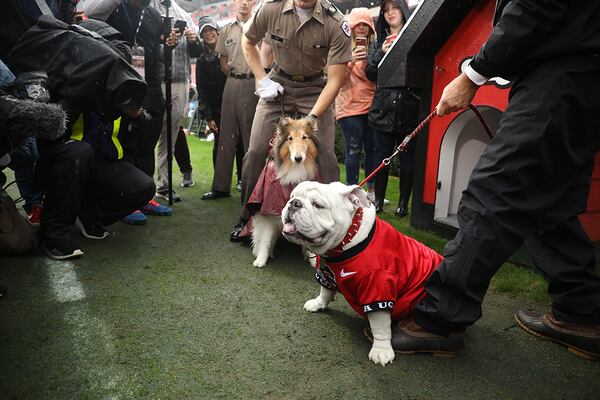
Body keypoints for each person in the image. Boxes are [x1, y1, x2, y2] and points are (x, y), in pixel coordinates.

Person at [390, 0, 600, 360]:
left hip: (560, 74)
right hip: (581, 77)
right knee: (551, 202)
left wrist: (473, 74)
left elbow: (537, 6)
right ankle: (582, 313)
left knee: (494, 191)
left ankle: (440, 318)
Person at [230, 0, 352, 241]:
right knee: (254, 151)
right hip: (278, 83)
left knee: (326, 154)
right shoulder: (270, 8)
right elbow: (248, 41)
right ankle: (247, 217)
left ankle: (339, 221)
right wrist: (262, 79)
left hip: (316, 88)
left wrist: (312, 118)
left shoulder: (336, 22)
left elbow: (335, 80)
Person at [103, 0, 176, 219]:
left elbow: (157, 46)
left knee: (148, 139)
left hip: (151, 83)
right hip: (124, 81)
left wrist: (168, 43)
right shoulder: (114, 8)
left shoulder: (153, 13)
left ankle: (144, 197)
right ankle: (126, 199)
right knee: (126, 141)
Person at [201, 0, 258, 201]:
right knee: (225, 137)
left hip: (253, 83)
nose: (244, 3)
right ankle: (220, 187)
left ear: (253, 2)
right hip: (231, 83)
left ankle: (252, 188)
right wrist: (235, 76)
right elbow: (223, 61)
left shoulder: (260, 25)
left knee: (250, 138)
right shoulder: (225, 30)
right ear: (235, 2)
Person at [366, 0, 418, 217]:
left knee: (408, 160)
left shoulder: (416, 37)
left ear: (403, 10)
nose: (390, 13)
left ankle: (403, 203)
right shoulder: (378, 43)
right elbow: (370, 73)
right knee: (381, 158)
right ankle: (378, 201)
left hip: (409, 109)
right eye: (386, 10)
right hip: (383, 110)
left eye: (394, 8)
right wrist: (382, 53)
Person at [152, 0, 195, 200]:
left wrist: (194, 40)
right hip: (154, 80)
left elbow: (197, 52)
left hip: (180, 80)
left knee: (170, 134)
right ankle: (142, 182)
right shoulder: (148, 9)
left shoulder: (183, 14)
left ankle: (163, 184)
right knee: (148, 131)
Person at [335, 7, 376, 200]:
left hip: (372, 106)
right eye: (357, 24)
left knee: (372, 152)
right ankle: (352, 192)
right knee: (353, 151)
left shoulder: (376, 48)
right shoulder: (342, 47)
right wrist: (351, 61)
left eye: (365, 24)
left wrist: (373, 61)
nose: (361, 27)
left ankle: (372, 192)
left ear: (371, 28)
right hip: (350, 108)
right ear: (350, 27)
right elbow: (337, 82)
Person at [188, 17, 229, 175]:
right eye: (205, 31)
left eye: (211, 30)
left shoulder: (228, 52)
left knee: (240, 144)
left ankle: (241, 180)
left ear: (218, 31)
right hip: (216, 109)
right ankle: (219, 182)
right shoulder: (202, 60)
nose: (209, 34)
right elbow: (202, 92)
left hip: (233, 103)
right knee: (219, 145)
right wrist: (208, 117)